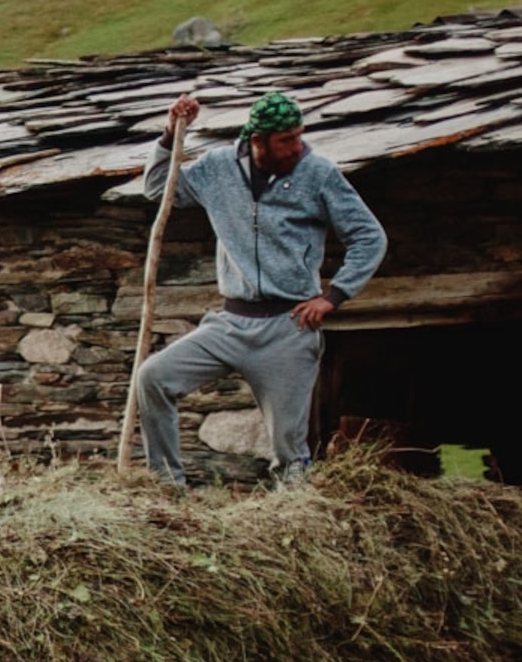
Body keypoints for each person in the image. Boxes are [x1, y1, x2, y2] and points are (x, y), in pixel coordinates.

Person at [130, 89, 388, 486]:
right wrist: (169, 134)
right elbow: (158, 188)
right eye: (286, 139)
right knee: (152, 377)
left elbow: (369, 236)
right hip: (230, 323)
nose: (297, 147)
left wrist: (333, 297)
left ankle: (294, 508)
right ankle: (166, 487)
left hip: (288, 327)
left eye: (299, 136)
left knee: (289, 450)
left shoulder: (318, 173)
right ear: (257, 140)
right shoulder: (217, 168)